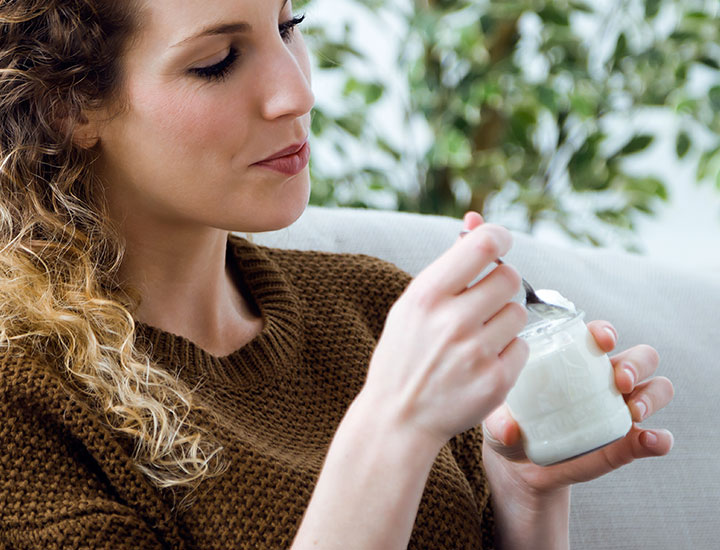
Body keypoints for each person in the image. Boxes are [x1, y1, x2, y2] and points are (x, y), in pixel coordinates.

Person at [0, 0, 675, 548]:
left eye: (290, 27)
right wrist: (393, 425)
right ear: (70, 107)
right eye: (218, 61)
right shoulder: (24, 397)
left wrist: (526, 498)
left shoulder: (372, 304)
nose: (297, 92)